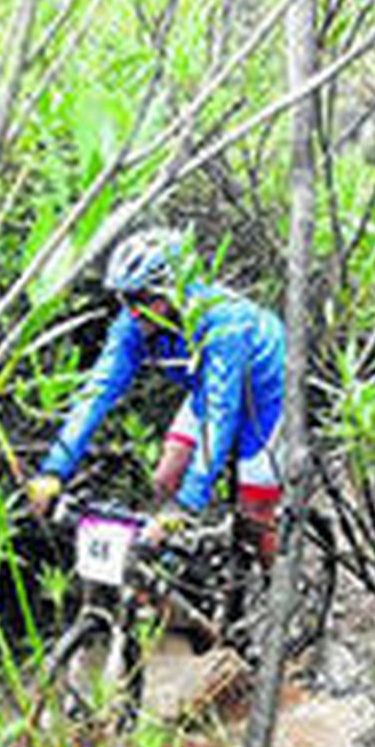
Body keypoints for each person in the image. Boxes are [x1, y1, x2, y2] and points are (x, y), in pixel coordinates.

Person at [27, 227, 284, 558]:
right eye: (126, 300)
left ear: (175, 293)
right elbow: (97, 393)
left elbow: (221, 414)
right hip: (207, 389)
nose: (134, 312)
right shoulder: (133, 326)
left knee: (255, 513)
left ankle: (276, 590)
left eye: (144, 299)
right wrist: (54, 470)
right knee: (165, 479)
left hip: (266, 394)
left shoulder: (224, 326)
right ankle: (179, 569)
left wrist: (186, 507)